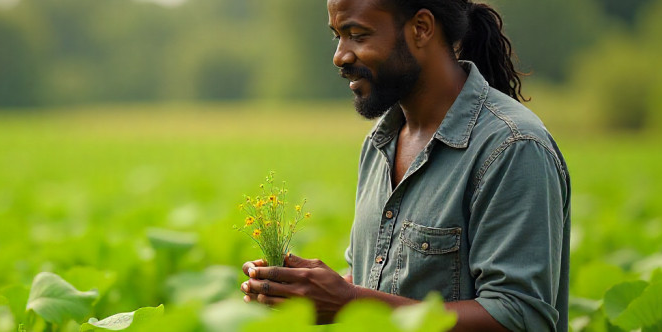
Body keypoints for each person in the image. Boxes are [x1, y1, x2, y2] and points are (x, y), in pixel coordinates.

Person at [240, 0, 571, 331]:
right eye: (337, 36)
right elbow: (379, 281)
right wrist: (309, 289)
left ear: (421, 28)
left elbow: (520, 317)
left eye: (357, 34)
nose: (340, 56)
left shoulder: (512, 147)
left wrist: (349, 302)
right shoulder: (380, 142)